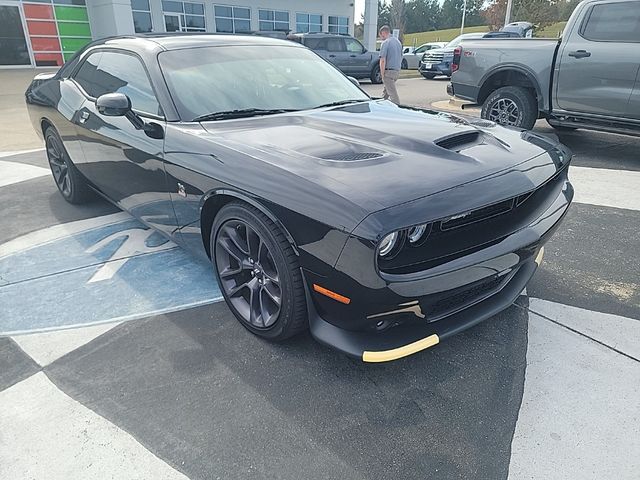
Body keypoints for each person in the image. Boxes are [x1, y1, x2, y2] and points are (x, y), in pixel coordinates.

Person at [378, 25, 402, 105]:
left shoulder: (386, 43)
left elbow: (382, 60)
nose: (381, 38)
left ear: (383, 33)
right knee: (386, 92)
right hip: (396, 71)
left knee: (393, 95)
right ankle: (380, 106)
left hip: (388, 72)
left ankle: (398, 109)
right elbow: (401, 56)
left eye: (380, 35)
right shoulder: (398, 42)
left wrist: (382, 74)